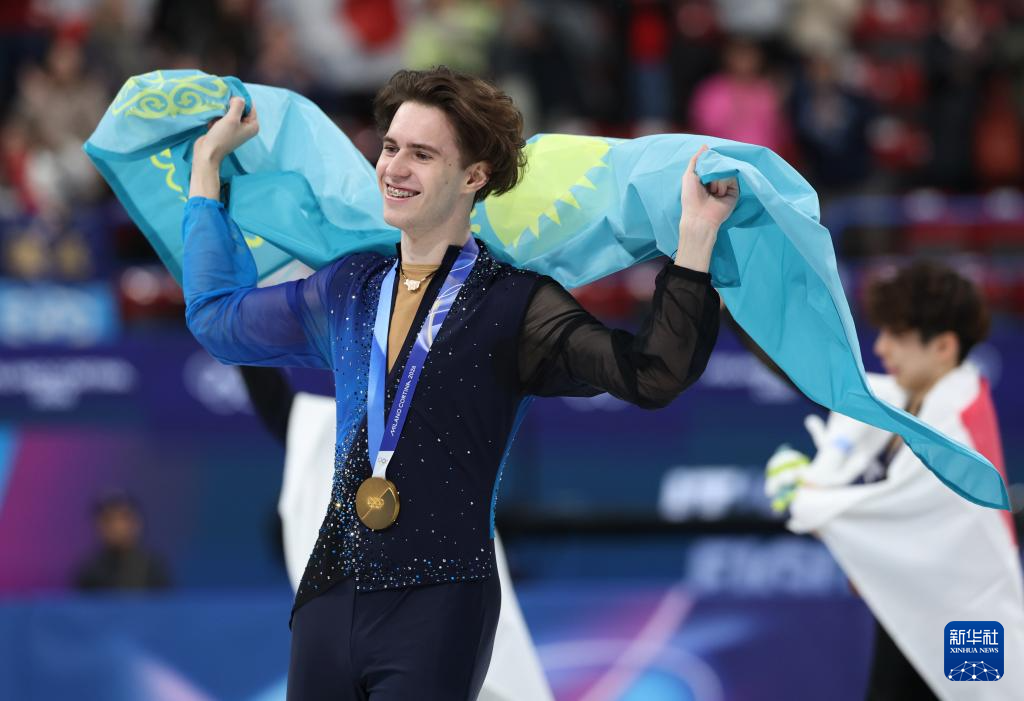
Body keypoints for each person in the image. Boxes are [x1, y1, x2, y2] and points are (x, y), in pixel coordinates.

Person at [183, 66, 734, 700]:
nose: (394, 168)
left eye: (421, 154)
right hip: (328, 598)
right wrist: (206, 169)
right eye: (390, 147)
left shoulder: (516, 304)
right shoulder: (349, 287)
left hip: (440, 607)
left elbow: (651, 373)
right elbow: (217, 321)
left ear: (474, 176)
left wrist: (695, 240)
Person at [765, 261, 1024, 700]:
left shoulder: (954, 428)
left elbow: (890, 513)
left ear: (943, 346)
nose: (881, 347)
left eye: (896, 335)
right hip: (914, 608)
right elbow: (829, 383)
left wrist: (806, 498)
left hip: (968, 622)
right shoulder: (915, 399)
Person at [239, 365, 554, 701]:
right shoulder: (325, 439)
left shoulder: (448, 439)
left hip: (447, 643)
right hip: (357, 645)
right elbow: (275, 400)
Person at [73, 491, 171, 591]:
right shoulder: (89, 572)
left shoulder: (153, 568)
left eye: (124, 517)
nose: (117, 527)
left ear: (137, 523)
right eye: (108, 519)